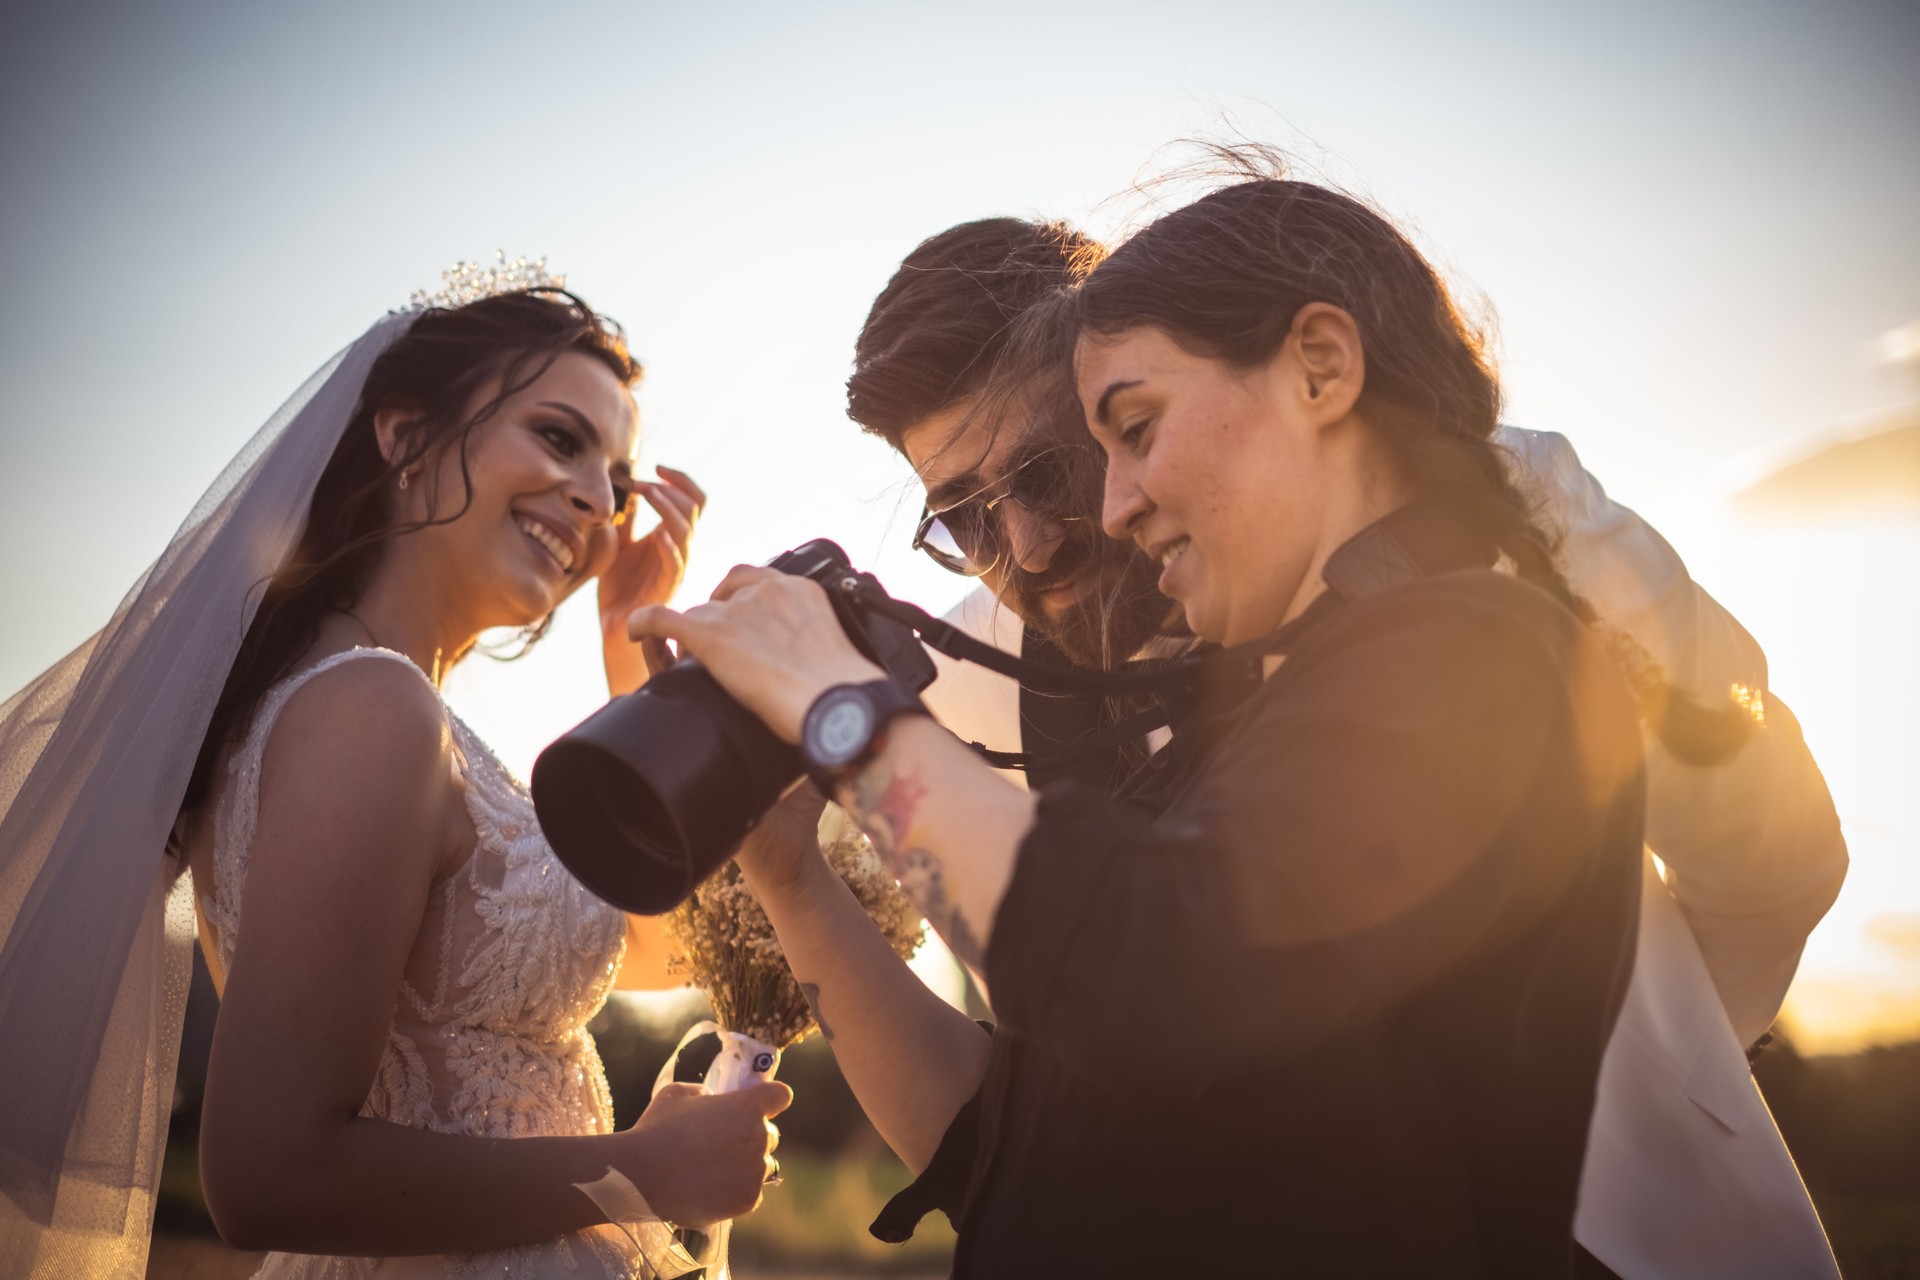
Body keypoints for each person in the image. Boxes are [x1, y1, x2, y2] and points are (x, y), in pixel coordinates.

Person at [632, 176, 1655, 1275]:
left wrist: (846, 714)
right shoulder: (1217, 738)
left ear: (1322, 367)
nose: (1084, 518)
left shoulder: (1476, 648)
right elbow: (1006, 1147)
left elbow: (1158, 969)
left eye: (1125, 432)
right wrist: (790, 872)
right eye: (968, 519)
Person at [844, 213, 1848, 1278]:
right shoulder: (973, 664)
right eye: (963, 515)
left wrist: (1620, 1036)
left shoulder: (1502, 510)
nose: (1028, 548)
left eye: (1055, 469)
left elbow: (1770, 849)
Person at [0, 278, 788, 1279]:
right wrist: (637, 1168)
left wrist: (628, 652)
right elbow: (266, 1171)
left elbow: (653, 945)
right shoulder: (371, 709)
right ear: (405, 434)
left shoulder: (393, 709)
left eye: (618, 478)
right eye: (559, 438)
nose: (600, 496)